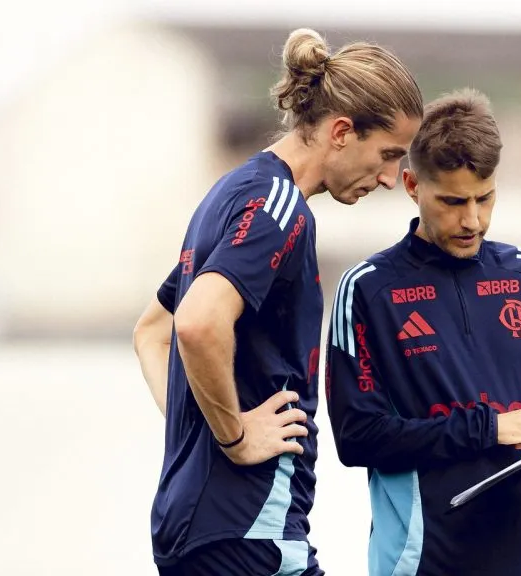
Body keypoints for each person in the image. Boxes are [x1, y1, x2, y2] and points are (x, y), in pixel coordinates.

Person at [131, 28, 423, 576]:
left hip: (206, 525)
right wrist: (233, 435)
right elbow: (193, 324)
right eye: (387, 155)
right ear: (341, 131)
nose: (389, 178)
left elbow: (153, 330)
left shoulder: (234, 191)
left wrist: (201, 425)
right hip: (247, 529)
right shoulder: (278, 209)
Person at [324, 88, 521, 576]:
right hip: (421, 564)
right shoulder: (367, 291)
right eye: (452, 201)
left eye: (484, 198)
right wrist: (491, 428)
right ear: (412, 184)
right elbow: (357, 437)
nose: (472, 220)